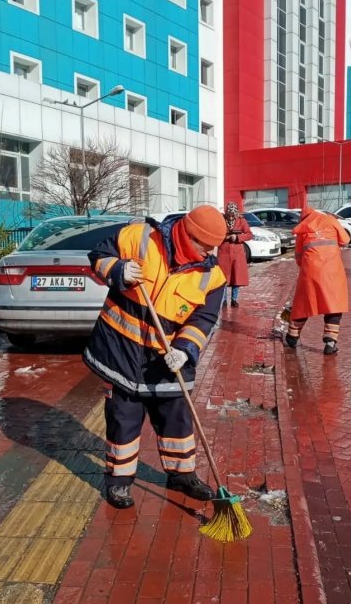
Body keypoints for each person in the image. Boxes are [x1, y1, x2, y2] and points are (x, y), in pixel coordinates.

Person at [83, 205, 227, 509]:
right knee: (123, 420)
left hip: (166, 359)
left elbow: (204, 319)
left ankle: (182, 475)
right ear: (189, 236)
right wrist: (118, 270)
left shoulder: (212, 276)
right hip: (120, 350)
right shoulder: (140, 237)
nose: (210, 253)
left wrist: (185, 350)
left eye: (215, 247)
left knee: (177, 419)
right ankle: (119, 482)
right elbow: (97, 255)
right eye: (205, 245)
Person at [286, 207, 350, 355]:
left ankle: (292, 337)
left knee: (304, 303)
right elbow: (345, 240)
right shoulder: (330, 220)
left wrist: (307, 268)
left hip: (310, 270)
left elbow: (298, 255)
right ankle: (330, 342)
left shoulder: (303, 229)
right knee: (333, 305)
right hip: (332, 271)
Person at [218, 201, 253, 308]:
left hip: (237, 254)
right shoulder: (221, 220)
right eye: (229, 214)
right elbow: (215, 233)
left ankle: (234, 300)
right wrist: (225, 237)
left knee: (236, 277)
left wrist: (237, 237)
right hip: (224, 253)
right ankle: (223, 300)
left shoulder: (241, 221)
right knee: (223, 278)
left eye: (233, 214)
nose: (231, 216)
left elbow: (249, 234)